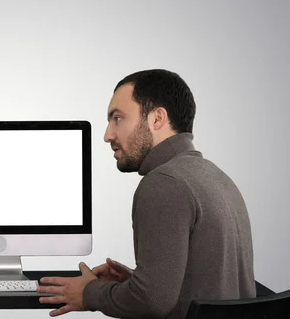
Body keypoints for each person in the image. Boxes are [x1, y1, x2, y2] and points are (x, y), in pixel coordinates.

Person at [37, 69, 255, 319]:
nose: (107, 135)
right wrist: (134, 283)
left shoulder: (164, 183)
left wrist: (90, 293)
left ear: (157, 119)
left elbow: (152, 302)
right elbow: (207, 291)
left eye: (117, 118)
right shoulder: (215, 177)